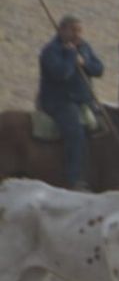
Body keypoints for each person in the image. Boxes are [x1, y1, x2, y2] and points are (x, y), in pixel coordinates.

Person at [36, 15, 105, 190]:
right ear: (62, 30)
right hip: (59, 102)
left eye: (80, 30)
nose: (78, 34)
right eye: (74, 30)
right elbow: (62, 74)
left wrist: (85, 62)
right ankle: (74, 180)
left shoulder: (85, 47)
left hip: (84, 101)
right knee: (75, 134)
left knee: (105, 128)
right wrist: (71, 56)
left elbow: (99, 69)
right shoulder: (51, 51)